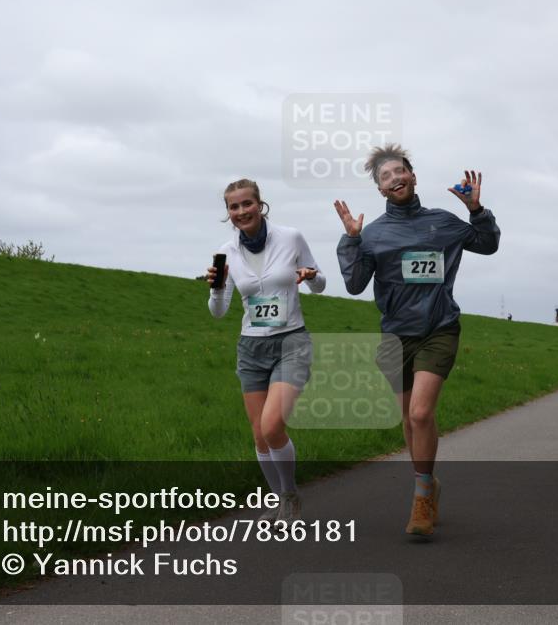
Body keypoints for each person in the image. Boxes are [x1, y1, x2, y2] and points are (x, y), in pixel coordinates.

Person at [334, 144, 501, 536]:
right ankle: (428, 481)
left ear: (413, 176)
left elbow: (488, 244)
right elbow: (356, 285)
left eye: (400, 172)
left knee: (421, 414)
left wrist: (476, 211)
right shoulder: (373, 234)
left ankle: (422, 494)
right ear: (380, 190)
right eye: (386, 177)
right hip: (395, 336)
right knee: (409, 421)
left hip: (439, 327)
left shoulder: (443, 222)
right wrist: (352, 241)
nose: (395, 179)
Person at [207, 179, 326, 524]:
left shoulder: (290, 237)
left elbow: (320, 284)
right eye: (234, 207)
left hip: (291, 342)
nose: (242, 212)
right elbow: (218, 311)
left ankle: (290, 497)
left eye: (247, 204)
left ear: (261, 205)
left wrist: (310, 275)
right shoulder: (226, 252)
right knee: (259, 434)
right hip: (251, 347)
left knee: (273, 426)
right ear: (228, 213)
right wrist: (216, 288)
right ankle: (278, 500)